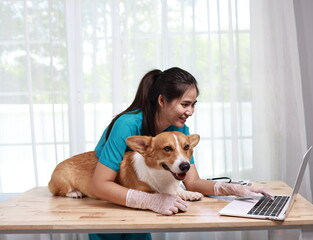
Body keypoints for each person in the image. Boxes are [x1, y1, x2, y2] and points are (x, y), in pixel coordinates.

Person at [89, 67, 273, 240]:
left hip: (142, 207)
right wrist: (151, 201)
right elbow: (100, 184)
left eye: (193, 105)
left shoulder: (180, 131)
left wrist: (236, 190)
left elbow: (192, 182)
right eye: (185, 104)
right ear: (162, 101)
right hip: (110, 206)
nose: (190, 111)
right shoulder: (127, 125)